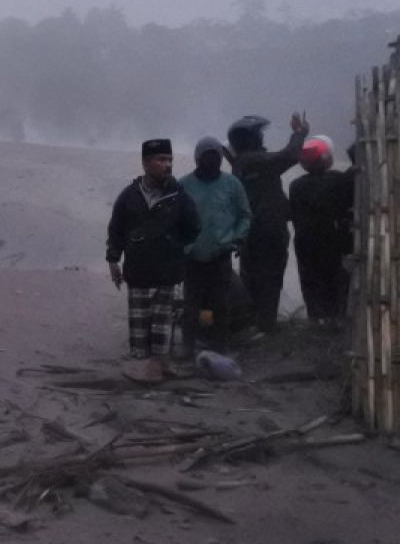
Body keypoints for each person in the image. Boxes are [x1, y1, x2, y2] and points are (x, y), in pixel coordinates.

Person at [106, 138, 201, 383]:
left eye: (169, 159)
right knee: (139, 324)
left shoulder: (178, 195)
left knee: (162, 324)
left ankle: (159, 367)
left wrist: (175, 245)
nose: (167, 164)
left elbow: (194, 227)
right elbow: (116, 230)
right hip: (138, 271)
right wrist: (113, 260)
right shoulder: (129, 196)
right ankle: (141, 366)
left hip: (168, 272)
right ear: (146, 163)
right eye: (161, 159)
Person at [225, 112, 310, 333]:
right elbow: (290, 155)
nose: (262, 138)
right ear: (249, 139)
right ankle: (265, 326)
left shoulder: (243, 163)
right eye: (258, 134)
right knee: (269, 279)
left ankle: (254, 324)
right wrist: (299, 133)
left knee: (253, 278)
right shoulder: (253, 161)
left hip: (253, 232)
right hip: (267, 230)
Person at [178, 136, 252, 355]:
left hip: (221, 254)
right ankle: (188, 347)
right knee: (191, 304)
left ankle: (221, 346)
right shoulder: (183, 185)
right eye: (206, 157)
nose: (211, 161)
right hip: (192, 256)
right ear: (198, 159)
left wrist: (239, 237)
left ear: (221, 159)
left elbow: (245, 215)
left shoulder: (232, 184)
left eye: (215, 157)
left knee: (220, 304)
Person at [288, 135, 355, 322]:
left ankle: (317, 319)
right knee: (335, 281)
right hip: (333, 241)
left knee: (312, 284)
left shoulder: (296, 185)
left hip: (305, 243)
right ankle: (336, 318)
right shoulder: (338, 180)